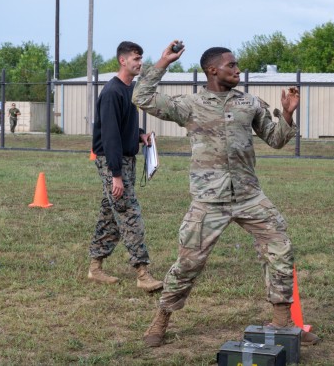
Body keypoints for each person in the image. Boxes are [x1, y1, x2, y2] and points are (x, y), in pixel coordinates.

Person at [133, 43, 320, 348]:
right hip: (209, 200)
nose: (237, 70)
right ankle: (161, 319)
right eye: (231, 65)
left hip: (249, 196)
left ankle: (282, 322)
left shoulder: (249, 103)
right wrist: (163, 62)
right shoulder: (190, 104)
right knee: (189, 263)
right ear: (212, 70)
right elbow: (141, 97)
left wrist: (286, 115)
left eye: (236, 65)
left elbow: (275, 139)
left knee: (280, 248)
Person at [87, 41, 162, 292]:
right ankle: (142, 274)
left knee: (110, 216)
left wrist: (139, 135)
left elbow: (122, 126)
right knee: (129, 214)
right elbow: (109, 136)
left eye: (141, 59)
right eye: (135, 59)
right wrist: (116, 176)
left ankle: (95, 268)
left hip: (126, 159)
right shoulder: (112, 92)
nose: (139, 63)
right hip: (113, 162)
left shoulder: (131, 89)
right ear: (123, 60)